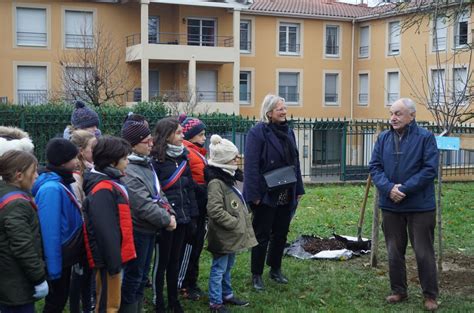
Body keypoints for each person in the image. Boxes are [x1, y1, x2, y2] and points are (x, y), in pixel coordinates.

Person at [369, 98, 439, 311]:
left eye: (398, 113)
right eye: (391, 113)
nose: (393, 118)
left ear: (412, 115)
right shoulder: (383, 139)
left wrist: (404, 189)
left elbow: (429, 170)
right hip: (391, 205)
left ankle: (430, 295)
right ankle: (398, 290)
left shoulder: (425, 138)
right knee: (394, 251)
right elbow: (375, 167)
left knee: (423, 252)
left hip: (420, 206)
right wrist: (389, 189)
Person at [243, 94, 305, 291]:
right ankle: (256, 274)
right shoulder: (257, 132)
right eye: (280, 109)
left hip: (286, 189)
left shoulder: (289, 132)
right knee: (262, 234)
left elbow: (295, 163)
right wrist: (254, 196)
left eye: (285, 108)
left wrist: (299, 189)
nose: (284, 112)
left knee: (281, 233)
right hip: (265, 192)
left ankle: (275, 268)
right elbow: (251, 166)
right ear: (269, 112)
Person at [120, 115, 177, 313]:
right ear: (134, 144)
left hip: (149, 230)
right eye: (147, 141)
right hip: (138, 230)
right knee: (134, 275)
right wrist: (166, 219)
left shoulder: (146, 164)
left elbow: (158, 192)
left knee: (142, 275)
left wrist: (169, 210)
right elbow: (142, 204)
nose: (152, 144)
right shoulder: (130, 170)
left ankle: (137, 306)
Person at [82, 136, 136, 313]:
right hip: (108, 260)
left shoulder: (111, 183)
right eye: (125, 159)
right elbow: (105, 230)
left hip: (113, 257)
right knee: (108, 305)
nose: (127, 162)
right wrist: (114, 263)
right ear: (113, 162)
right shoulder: (103, 188)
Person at [151, 117, 198, 313]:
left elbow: (189, 189)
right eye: (178, 132)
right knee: (161, 263)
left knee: (175, 261)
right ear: (167, 135)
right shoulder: (155, 161)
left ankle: (173, 300)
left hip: (182, 216)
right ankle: (158, 300)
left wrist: (193, 216)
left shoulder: (184, 157)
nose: (182, 136)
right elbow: (155, 193)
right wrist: (165, 215)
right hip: (165, 219)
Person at [205, 134, 258, 313]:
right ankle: (215, 302)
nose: (237, 159)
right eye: (234, 157)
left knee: (228, 266)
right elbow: (214, 210)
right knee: (219, 268)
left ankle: (226, 294)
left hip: (230, 236)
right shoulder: (216, 183)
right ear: (225, 160)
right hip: (223, 235)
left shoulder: (230, 177)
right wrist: (235, 223)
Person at [32, 138, 84, 313]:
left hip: (65, 256)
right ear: (63, 161)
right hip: (59, 258)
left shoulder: (62, 181)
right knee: (56, 301)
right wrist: (54, 271)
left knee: (60, 299)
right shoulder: (52, 189)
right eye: (74, 157)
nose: (78, 161)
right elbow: (50, 232)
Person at [0, 150, 49, 313]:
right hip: (16, 282)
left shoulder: (5, 193)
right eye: (33, 171)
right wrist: (39, 278)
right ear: (19, 175)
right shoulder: (17, 204)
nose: (36, 176)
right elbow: (22, 246)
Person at [177, 114, 208, 300]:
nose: (204, 138)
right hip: (193, 208)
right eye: (201, 135)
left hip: (200, 206)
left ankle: (192, 281)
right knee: (189, 247)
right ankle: (184, 284)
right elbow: (189, 180)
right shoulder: (187, 153)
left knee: (196, 248)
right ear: (190, 136)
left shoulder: (196, 152)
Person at [69, 129, 97, 313]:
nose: (97, 150)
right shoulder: (77, 176)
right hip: (82, 233)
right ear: (81, 151)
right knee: (79, 276)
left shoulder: (90, 170)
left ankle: (87, 305)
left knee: (88, 275)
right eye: (93, 147)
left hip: (89, 231)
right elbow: (80, 205)